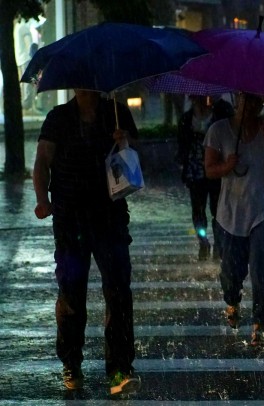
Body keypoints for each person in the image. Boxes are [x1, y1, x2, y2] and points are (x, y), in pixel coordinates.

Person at [33, 89, 141, 394]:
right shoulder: (58, 118)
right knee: (71, 291)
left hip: (111, 216)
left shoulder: (116, 113)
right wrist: (43, 200)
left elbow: (136, 155)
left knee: (119, 291)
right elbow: (42, 161)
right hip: (70, 219)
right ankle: (72, 362)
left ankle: (120, 367)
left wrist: (126, 142)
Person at [204, 92, 264, 346]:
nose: (251, 105)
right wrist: (226, 166)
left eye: (257, 100)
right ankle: (233, 300)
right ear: (237, 100)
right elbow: (209, 170)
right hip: (230, 214)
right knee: (231, 272)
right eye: (247, 99)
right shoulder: (219, 130)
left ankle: (260, 324)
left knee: (262, 270)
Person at [176, 95, 233, 261]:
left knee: (217, 209)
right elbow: (182, 143)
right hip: (195, 170)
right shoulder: (187, 118)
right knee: (198, 209)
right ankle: (203, 241)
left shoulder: (221, 112)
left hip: (216, 168)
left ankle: (218, 243)